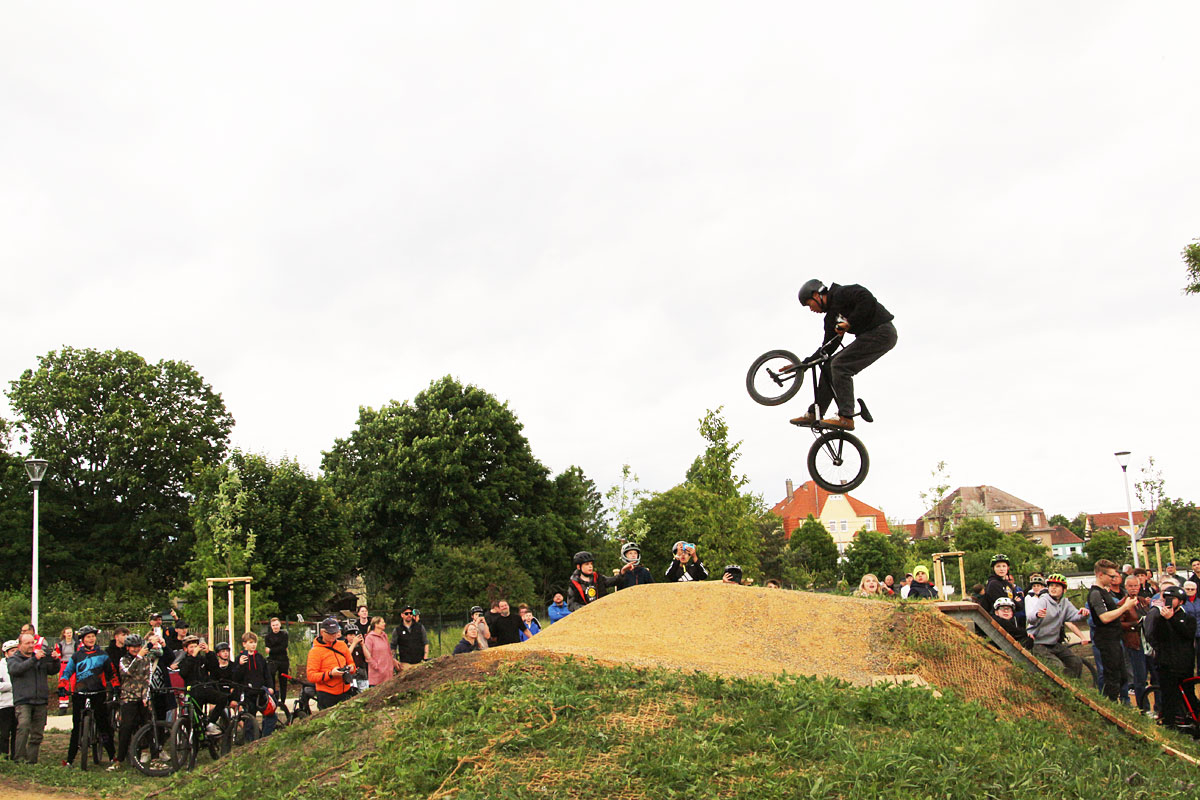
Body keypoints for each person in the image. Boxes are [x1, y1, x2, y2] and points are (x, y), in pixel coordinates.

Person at [788, 279, 897, 430]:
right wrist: (803, 364)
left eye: (809, 304)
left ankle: (846, 416)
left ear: (816, 295)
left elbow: (866, 298)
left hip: (882, 332)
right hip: (870, 336)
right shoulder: (831, 318)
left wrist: (850, 322)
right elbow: (827, 348)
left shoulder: (840, 294)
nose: (811, 309)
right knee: (828, 366)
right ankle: (815, 413)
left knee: (839, 365)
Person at [62, 624, 117, 766]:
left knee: (103, 725)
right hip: (79, 693)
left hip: (98, 693)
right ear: (82, 639)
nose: (91, 639)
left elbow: (112, 674)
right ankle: (70, 759)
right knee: (76, 727)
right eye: (88, 637)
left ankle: (112, 756)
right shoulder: (76, 656)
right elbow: (67, 672)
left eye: (93, 636)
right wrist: (62, 686)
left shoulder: (103, 655)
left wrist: (116, 687)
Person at [1145, 585, 1197, 731]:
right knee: (1168, 696)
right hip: (1166, 664)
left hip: (1184, 663)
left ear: (1180, 602)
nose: (1168, 601)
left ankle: (1194, 722)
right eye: (1165, 598)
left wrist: (1172, 618)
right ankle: (1170, 726)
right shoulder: (1159, 617)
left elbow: (1187, 634)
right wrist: (1163, 619)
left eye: (1172, 599)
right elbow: (1155, 636)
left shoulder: (1188, 618)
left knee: (1189, 695)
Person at [1089, 559, 1139, 702]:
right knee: (1111, 677)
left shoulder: (1104, 592)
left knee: (1121, 676)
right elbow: (1104, 617)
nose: (1113, 579)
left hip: (1115, 639)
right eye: (1111, 576)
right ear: (1100, 575)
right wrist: (1125, 607)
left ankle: (1120, 704)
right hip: (1105, 640)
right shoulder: (1096, 594)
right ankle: (1109, 706)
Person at [1025, 573, 1088, 679]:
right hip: (1038, 643)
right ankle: (1059, 691)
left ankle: (1074, 688)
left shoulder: (1065, 602)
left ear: (1064, 590)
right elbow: (1030, 618)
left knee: (1076, 662)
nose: (1053, 588)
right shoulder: (1044, 600)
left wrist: (1084, 614)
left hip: (1053, 643)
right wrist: (1037, 615)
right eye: (1051, 586)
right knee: (1058, 667)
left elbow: (1074, 616)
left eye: (1057, 586)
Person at [111, 633, 160, 771]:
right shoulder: (123, 660)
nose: (135, 649)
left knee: (150, 727)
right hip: (128, 697)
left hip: (142, 698)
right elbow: (127, 673)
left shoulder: (146, 660)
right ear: (127, 648)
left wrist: (146, 697)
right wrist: (138, 657)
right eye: (132, 647)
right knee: (126, 728)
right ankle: (119, 760)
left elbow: (148, 679)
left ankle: (155, 758)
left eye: (138, 646)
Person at [7, 633, 57, 763]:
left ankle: (32, 760)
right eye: (27, 643)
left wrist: (55, 660)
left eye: (32, 643)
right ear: (19, 645)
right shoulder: (14, 659)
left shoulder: (39, 658)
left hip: (40, 700)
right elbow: (17, 670)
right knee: (23, 727)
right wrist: (34, 659)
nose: (30, 646)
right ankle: (19, 758)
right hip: (23, 700)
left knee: (37, 733)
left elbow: (52, 670)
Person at [176, 635, 232, 736]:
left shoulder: (202, 659)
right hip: (193, 692)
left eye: (195, 646)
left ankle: (211, 723)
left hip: (206, 689)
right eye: (191, 647)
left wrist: (208, 652)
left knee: (223, 698)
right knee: (195, 719)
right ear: (186, 649)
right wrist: (193, 657)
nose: (194, 649)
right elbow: (184, 673)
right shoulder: (184, 661)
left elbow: (215, 670)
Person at [1117, 574, 1152, 713]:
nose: (1133, 589)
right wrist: (1134, 625)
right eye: (1130, 586)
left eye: (1135, 585)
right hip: (1134, 643)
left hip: (1149, 642)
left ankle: (1159, 707)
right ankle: (1144, 708)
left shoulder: (1144, 602)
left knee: (1154, 675)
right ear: (1126, 587)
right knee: (1140, 677)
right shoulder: (1122, 604)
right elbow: (1118, 624)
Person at [233, 631, 277, 738]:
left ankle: (266, 737)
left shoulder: (260, 657)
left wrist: (270, 687)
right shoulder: (240, 658)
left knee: (271, 715)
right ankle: (250, 741)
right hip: (248, 693)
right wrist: (240, 665)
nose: (253, 645)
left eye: (254, 642)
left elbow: (267, 674)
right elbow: (235, 677)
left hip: (260, 691)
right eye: (250, 642)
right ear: (244, 644)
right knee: (249, 719)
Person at [307, 618, 355, 709]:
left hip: (345, 691)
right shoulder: (315, 651)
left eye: (335, 632)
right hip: (327, 694)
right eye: (330, 633)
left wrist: (351, 668)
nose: (334, 635)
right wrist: (330, 674)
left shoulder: (342, 645)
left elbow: (351, 663)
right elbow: (311, 676)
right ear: (322, 632)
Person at [362, 617, 399, 686]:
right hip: (376, 677)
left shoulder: (384, 636)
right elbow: (367, 656)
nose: (384, 624)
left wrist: (393, 661)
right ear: (376, 624)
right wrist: (376, 666)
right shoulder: (369, 638)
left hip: (388, 675)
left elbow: (388, 652)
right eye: (382, 622)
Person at [53, 627, 76, 715]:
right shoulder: (60, 644)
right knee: (63, 684)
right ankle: (63, 706)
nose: (69, 634)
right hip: (64, 664)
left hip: (73, 664)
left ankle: (75, 703)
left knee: (75, 683)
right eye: (68, 633)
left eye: (71, 632)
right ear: (64, 634)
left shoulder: (76, 643)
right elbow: (57, 654)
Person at [0, 639, 16, 759]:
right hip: (4, 704)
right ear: (6, 653)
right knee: (4, 733)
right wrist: (12, 686)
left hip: (18, 703)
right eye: (12, 651)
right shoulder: (1, 667)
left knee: (17, 732)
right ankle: (3, 755)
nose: (14, 653)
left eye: (16, 650)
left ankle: (16, 756)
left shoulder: (21, 664)